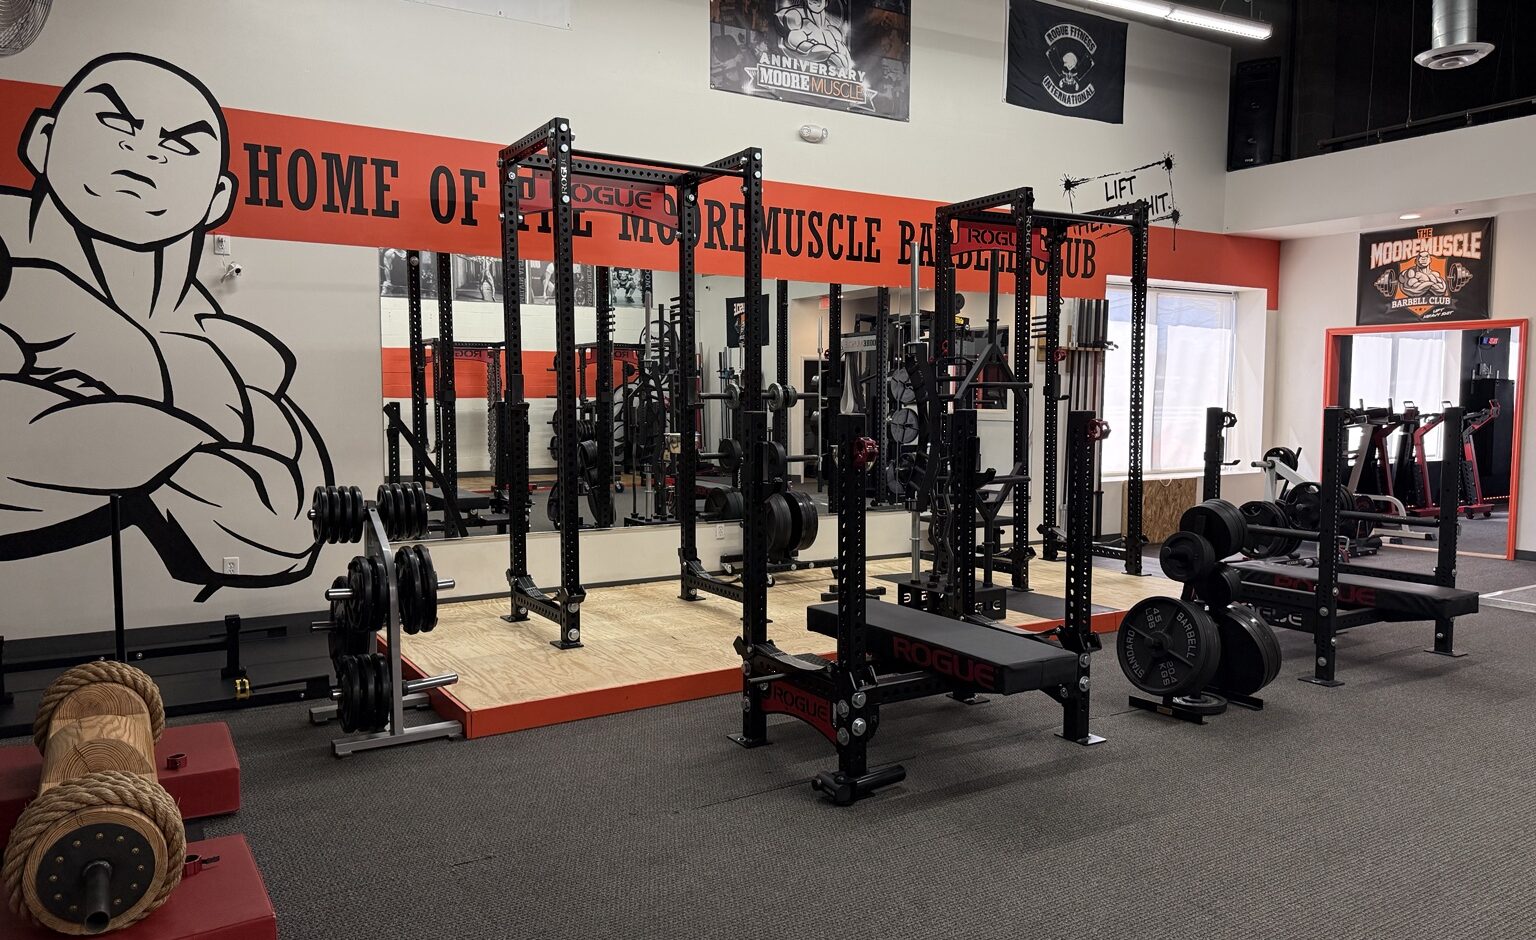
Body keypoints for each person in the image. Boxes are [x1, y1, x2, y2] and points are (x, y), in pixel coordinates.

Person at [0, 53, 332, 597]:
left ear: (217, 198)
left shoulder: (227, 347)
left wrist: (116, 429)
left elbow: (289, 522)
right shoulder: (11, 271)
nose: (146, 149)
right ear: (42, 139)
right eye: (115, 123)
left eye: (179, 143)